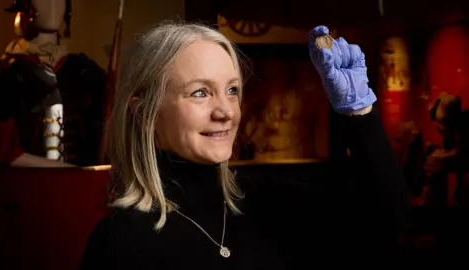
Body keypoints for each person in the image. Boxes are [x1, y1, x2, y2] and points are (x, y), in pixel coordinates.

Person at [80, 23, 410, 269]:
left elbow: (387, 222)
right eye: (200, 92)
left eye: (232, 90)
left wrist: (361, 115)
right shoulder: (119, 241)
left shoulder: (268, 202)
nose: (225, 112)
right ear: (145, 113)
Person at [0, 0, 106, 167]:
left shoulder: (86, 71)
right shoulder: (6, 74)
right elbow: (0, 152)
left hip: (83, 188)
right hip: (25, 188)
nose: (52, 4)